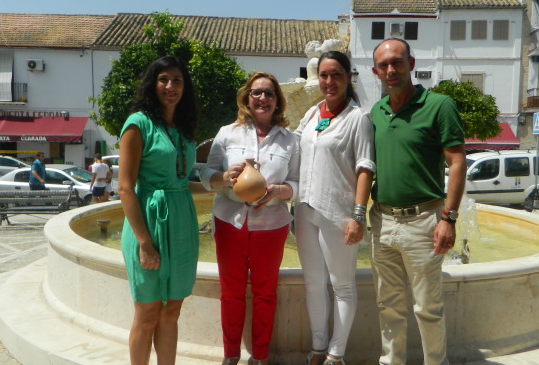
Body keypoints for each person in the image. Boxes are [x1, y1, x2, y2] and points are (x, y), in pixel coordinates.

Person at [369, 38, 466, 365]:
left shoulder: (439, 105)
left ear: (411, 64)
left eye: (397, 62)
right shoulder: (376, 112)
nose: (391, 70)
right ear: (375, 71)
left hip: (425, 221)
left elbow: (456, 162)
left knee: (427, 308)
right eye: (383, 65)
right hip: (382, 221)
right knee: (388, 305)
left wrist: (448, 219)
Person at [200, 72, 299, 365]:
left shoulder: (291, 141)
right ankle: (231, 355)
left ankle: (261, 357)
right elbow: (206, 175)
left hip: (272, 224)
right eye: (257, 93)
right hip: (229, 221)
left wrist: (281, 190)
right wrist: (223, 177)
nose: (263, 98)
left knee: (266, 293)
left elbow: (299, 184)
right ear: (247, 98)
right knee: (231, 292)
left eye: (269, 94)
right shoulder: (227, 133)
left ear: (277, 101)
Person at [118, 55, 205, 365]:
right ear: (153, 84)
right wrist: (144, 242)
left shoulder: (182, 128)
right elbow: (125, 187)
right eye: (164, 80)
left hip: (181, 223)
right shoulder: (138, 123)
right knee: (147, 313)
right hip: (148, 224)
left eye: (177, 80)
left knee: (172, 311)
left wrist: (220, 183)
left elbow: (181, 183)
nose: (171, 86)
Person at [293, 51, 375, 365]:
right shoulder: (313, 112)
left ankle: (335, 354)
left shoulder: (358, 117)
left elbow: (366, 167)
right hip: (305, 209)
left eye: (336, 74)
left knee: (342, 285)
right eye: (324, 75)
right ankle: (317, 348)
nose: (329, 81)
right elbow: (293, 146)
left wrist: (358, 215)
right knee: (313, 283)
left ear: (348, 78)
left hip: (339, 213)